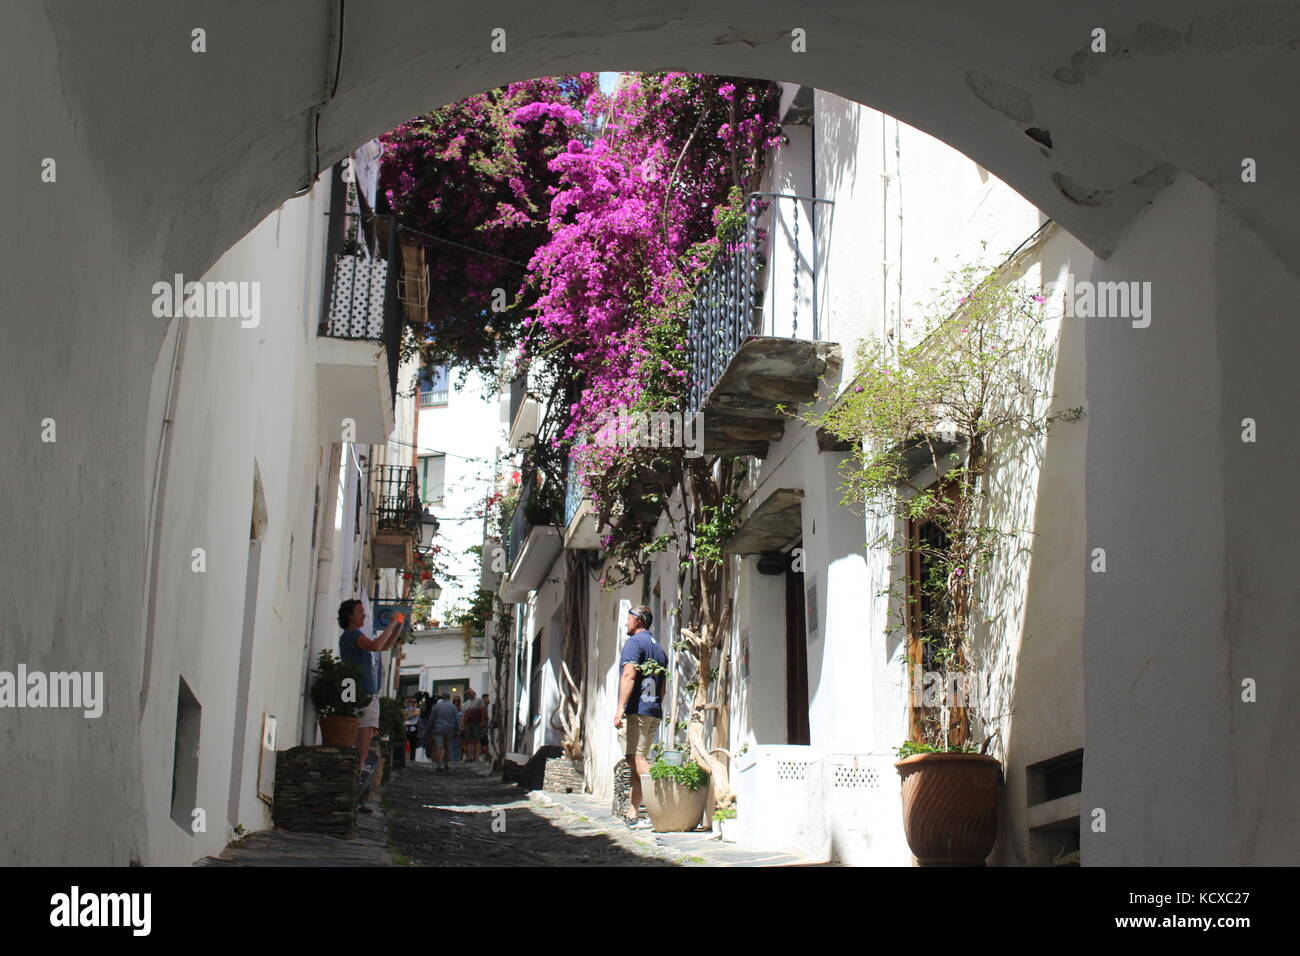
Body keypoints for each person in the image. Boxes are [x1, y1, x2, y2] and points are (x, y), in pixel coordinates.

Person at [337, 599, 405, 776]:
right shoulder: (352, 635)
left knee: (359, 742)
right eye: (359, 611)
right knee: (361, 745)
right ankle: (355, 779)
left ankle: (355, 778)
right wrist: (391, 624)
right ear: (349, 616)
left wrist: (396, 628)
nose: (364, 614)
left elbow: (385, 645)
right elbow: (376, 646)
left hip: (354, 690)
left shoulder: (352, 636)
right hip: (361, 692)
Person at [614, 605, 668, 829]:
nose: (626, 623)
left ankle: (662, 808)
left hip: (637, 711)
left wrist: (620, 708)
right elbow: (663, 687)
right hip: (653, 710)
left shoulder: (635, 644)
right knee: (636, 759)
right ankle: (633, 812)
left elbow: (629, 675)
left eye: (628, 619)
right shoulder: (659, 649)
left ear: (637, 621)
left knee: (637, 760)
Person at [429, 693, 460, 771]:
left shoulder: (436, 706)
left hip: (438, 729)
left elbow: (432, 718)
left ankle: (438, 764)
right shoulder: (453, 707)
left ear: (442, 698)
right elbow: (456, 719)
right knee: (447, 747)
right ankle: (446, 764)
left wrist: (429, 729)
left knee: (439, 747)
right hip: (449, 729)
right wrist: (456, 730)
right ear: (449, 698)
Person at [460, 688, 484, 761]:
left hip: (476, 723)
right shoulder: (466, 703)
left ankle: (476, 756)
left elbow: (482, 711)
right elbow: (464, 715)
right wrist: (462, 724)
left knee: (477, 740)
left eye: (469, 693)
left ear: (473, 692)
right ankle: (471, 755)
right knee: (469, 740)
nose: (469, 694)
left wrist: (482, 721)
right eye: (467, 694)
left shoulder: (479, 700)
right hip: (468, 723)